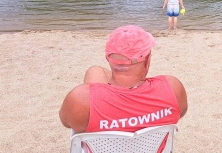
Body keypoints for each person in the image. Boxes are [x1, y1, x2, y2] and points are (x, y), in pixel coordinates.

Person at [59, 25, 188, 137]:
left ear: (108, 58)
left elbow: (66, 122)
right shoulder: (173, 88)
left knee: (94, 71)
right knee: (96, 70)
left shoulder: (79, 100)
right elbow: (180, 113)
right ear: (148, 60)